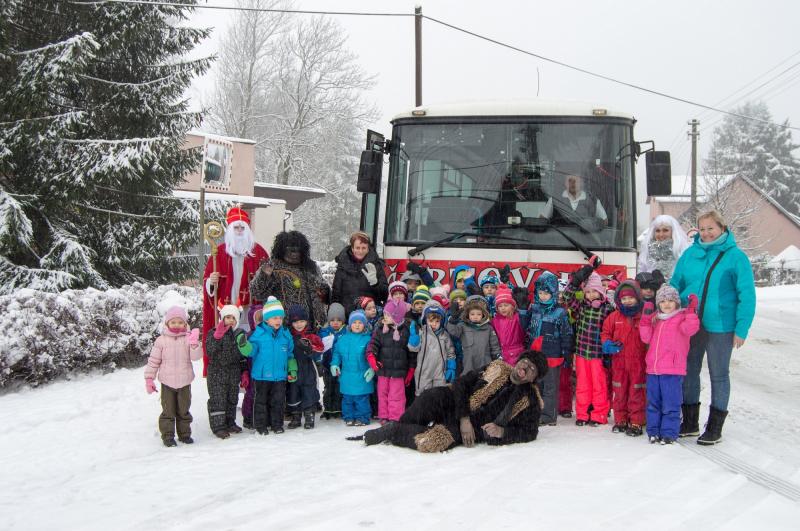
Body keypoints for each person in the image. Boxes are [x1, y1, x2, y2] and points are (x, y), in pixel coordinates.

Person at [670, 210, 756, 445]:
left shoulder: (735, 257)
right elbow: (675, 284)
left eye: (711, 228)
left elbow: (746, 295)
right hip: (690, 323)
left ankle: (715, 427)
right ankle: (689, 422)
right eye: (703, 228)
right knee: (688, 371)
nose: (707, 233)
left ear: (722, 228)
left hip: (722, 326)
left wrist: (742, 328)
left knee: (719, 375)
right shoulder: (690, 254)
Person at [352, 350, 548, 452]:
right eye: (525, 362)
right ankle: (403, 427)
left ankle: (394, 430)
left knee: (433, 441)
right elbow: (462, 382)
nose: (525, 367)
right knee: (430, 396)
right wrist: (464, 418)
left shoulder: (530, 400)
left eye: (531, 369)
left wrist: (502, 431)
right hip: (458, 405)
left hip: (476, 429)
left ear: (533, 378)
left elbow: (530, 432)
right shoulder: (497, 367)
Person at [202, 206, 269, 376]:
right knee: (228, 341)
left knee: (248, 340)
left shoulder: (258, 252)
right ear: (230, 230)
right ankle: (228, 376)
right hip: (227, 309)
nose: (239, 231)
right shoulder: (219, 253)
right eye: (236, 228)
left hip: (249, 309)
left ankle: (249, 375)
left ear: (247, 230)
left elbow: (269, 280)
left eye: (242, 228)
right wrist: (212, 282)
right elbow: (208, 284)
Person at [639, 286, 700, 444]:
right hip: (653, 369)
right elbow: (645, 338)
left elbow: (690, 329)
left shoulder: (682, 318)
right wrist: (645, 319)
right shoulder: (655, 320)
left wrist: (692, 311)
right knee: (653, 403)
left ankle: (669, 433)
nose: (667, 304)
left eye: (671, 301)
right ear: (658, 303)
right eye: (663, 301)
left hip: (672, 370)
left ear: (677, 303)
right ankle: (653, 431)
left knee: (671, 403)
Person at [144, 306, 202, 447]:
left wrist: (195, 345)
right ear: (167, 323)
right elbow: (154, 361)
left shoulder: (188, 339)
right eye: (173, 322)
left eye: (180, 322)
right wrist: (149, 379)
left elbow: (195, 357)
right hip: (167, 382)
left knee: (183, 410)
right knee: (168, 410)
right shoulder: (161, 341)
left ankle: (184, 434)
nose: (177, 325)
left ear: (185, 324)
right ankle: (168, 436)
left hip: (185, 381)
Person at [563, 265, 613, 426]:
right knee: (582, 385)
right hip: (582, 353)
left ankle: (598, 414)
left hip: (598, 354)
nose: (591, 295)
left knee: (599, 386)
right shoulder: (581, 306)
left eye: (594, 291)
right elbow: (567, 296)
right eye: (588, 291)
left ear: (601, 291)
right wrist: (575, 282)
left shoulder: (607, 309)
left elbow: (611, 329)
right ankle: (582, 414)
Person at [239, 296, 296, 435]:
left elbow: (290, 355)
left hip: (279, 376)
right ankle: (261, 426)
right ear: (266, 319)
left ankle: (277, 425)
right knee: (260, 403)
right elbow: (251, 352)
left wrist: (292, 369)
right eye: (275, 318)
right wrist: (243, 346)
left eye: (280, 318)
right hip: (261, 376)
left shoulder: (286, 335)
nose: (278, 321)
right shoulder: (258, 334)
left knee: (278, 402)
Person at [249, 230, 327, 330]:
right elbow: (257, 293)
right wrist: (264, 276)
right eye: (291, 250)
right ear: (282, 249)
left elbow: (323, 290)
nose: (294, 254)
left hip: (314, 326)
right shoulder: (273, 266)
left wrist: (325, 293)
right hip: (286, 327)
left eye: (297, 250)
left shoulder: (311, 267)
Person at [526, 271, 573, 426]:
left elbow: (567, 334)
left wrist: (567, 354)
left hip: (552, 355)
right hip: (536, 354)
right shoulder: (534, 309)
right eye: (540, 293)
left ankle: (549, 415)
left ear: (553, 293)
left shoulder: (560, 312)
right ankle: (536, 412)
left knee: (550, 387)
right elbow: (527, 329)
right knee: (536, 385)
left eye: (546, 293)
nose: (543, 296)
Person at [600, 280, 647, 436]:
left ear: (637, 298)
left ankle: (636, 421)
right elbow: (605, 332)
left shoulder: (643, 317)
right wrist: (607, 343)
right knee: (619, 391)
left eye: (630, 298)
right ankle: (620, 419)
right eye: (624, 298)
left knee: (637, 391)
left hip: (638, 362)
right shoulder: (614, 317)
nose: (627, 301)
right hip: (619, 361)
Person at [366, 299, 417, 422]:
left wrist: (411, 369)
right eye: (384, 314)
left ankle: (395, 417)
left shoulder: (406, 331)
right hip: (383, 369)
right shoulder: (380, 330)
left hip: (398, 372)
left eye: (388, 315)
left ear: (396, 316)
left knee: (397, 396)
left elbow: (411, 353)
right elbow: (373, 344)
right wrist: (371, 356)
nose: (385, 317)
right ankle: (383, 415)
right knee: (382, 394)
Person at [205, 305, 249, 439]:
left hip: (233, 373)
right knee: (218, 400)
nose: (230, 320)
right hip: (217, 374)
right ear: (222, 318)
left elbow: (242, 355)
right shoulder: (213, 333)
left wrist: (244, 372)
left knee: (232, 399)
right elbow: (209, 351)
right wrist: (217, 338)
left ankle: (230, 422)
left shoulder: (239, 334)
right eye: (227, 317)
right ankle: (218, 427)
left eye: (233, 318)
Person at [331, 310, 375, 426]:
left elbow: (373, 355)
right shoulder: (343, 339)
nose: (357, 325)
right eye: (354, 322)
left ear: (364, 325)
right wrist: (334, 364)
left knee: (361, 399)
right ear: (350, 324)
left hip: (362, 375)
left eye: (360, 323)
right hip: (347, 375)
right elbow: (336, 354)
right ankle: (348, 417)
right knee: (347, 399)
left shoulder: (368, 339)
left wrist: (372, 369)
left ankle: (363, 417)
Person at [286, 305, 324, 430]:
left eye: (302, 321)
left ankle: (309, 416)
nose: (299, 324)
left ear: (306, 321)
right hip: (294, 369)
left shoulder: (311, 336)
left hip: (308, 369)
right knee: (293, 392)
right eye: (295, 322)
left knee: (309, 392)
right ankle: (296, 416)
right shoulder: (288, 336)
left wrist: (310, 348)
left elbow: (320, 348)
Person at [331, 231, 389, 315]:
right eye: (357, 248)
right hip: (348, 317)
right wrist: (335, 314)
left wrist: (375, 283)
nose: (360, 251)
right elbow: (336, 295)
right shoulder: (342, 266)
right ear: (352, 248)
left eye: (364, 248)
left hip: (370, 317)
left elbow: (385, 295)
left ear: (368, 248)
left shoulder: (376, 266)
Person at [409, 300, 456, 395]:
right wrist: (414, 337)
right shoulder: (422, 333)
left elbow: (451, 353)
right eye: (431, 321)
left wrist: (451, 367)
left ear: (441, 322)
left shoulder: (445, 335)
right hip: (423, 374)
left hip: (440, 374)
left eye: (437, 321)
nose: (434, 324)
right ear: (425, 320)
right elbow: (413, 348)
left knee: (439, 397)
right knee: (423, 398)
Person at [445, 296, 501, 376]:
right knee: (469, 382)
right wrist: (453, 320)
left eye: (478, 314)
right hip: (469, 363)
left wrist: (498, 357)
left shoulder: (488, 328)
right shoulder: (463, 326)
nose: (475, 316)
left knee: (485, 383)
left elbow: (494, 345)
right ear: (468, 314)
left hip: (485, 362)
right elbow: (453, 332)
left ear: (483, 315)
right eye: (472, 314)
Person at [540, 174, 608, 230]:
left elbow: (604, 221)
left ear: (581, 183)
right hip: (559, 243)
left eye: (575, 181)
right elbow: (542, 219)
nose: (572, 183)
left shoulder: (593, 201)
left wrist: (592, 224)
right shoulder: (554, 199)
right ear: (565, 183)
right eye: (570, 180)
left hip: (587, 243)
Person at [638, 214, 690, 281]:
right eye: (657, 231)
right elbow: (641, 276)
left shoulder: (681, 251)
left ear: (673, 232)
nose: (661, 234)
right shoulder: (647, 251)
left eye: (665, 230)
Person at [319, 303, 347, 420]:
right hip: (327, 365)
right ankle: (328, 409)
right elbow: (319, 346)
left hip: (341, 365)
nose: (335, 323)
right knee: (328, 387)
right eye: (333, 320)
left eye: (339, 320)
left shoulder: (346, 332)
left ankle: (338, 408)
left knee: (339, 387)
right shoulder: (324, 332)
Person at [491, 284, 527, 365]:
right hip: (502, 354)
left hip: (518, 353)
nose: (503, 308)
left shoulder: (517, 317)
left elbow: (525, 325)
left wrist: (523, 311)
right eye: (500, 306)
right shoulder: (495, 321)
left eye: (506, 305)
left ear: (512, 306)